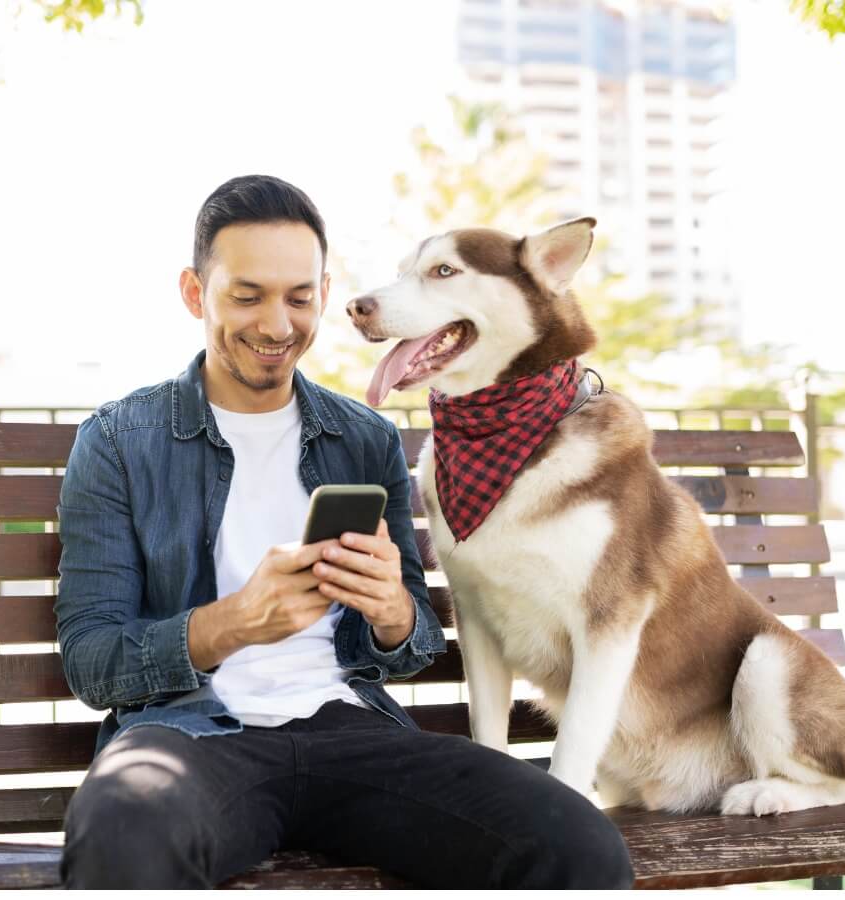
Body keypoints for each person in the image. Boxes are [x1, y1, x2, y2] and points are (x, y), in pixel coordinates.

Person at [53, 174, 634, 889]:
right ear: (195, 293)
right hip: (193, 737)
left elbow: (415, 641)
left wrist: (393, 613)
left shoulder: (362, 437)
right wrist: (227, 626)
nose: (276, 325)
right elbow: (91, 659)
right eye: (247, 296)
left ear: (324, 294)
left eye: (299, 297)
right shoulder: (118, 441)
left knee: (575, 842)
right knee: (123, 830)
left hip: (351, 734)